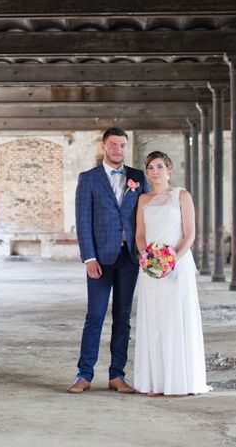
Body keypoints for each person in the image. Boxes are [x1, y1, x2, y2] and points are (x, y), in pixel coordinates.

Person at [67, 128, 150, 394]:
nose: (118, 150)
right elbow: (83, 221)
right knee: (95, 315)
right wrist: (88, 257)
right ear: (104, 147)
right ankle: (84, 374)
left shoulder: (137, 177)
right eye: (113, 145)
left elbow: (146, 215)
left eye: (123, 145)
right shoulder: (89, 179)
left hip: (129, 259)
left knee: (123, 317)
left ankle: (117, 375)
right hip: (100, 259)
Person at [133, 151, 209, 396]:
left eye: (159, 167)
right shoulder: (143, 199)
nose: (155, 172)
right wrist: (147, 258)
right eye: (150, 168)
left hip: (176, 265)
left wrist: (170, 260)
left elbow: (190, 234)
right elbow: (140, 234)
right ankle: (156, 382)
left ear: (169, 169)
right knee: (154, 322)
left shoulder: (181, 195)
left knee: (175, 319)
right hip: (151, 268)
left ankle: (179, 382)